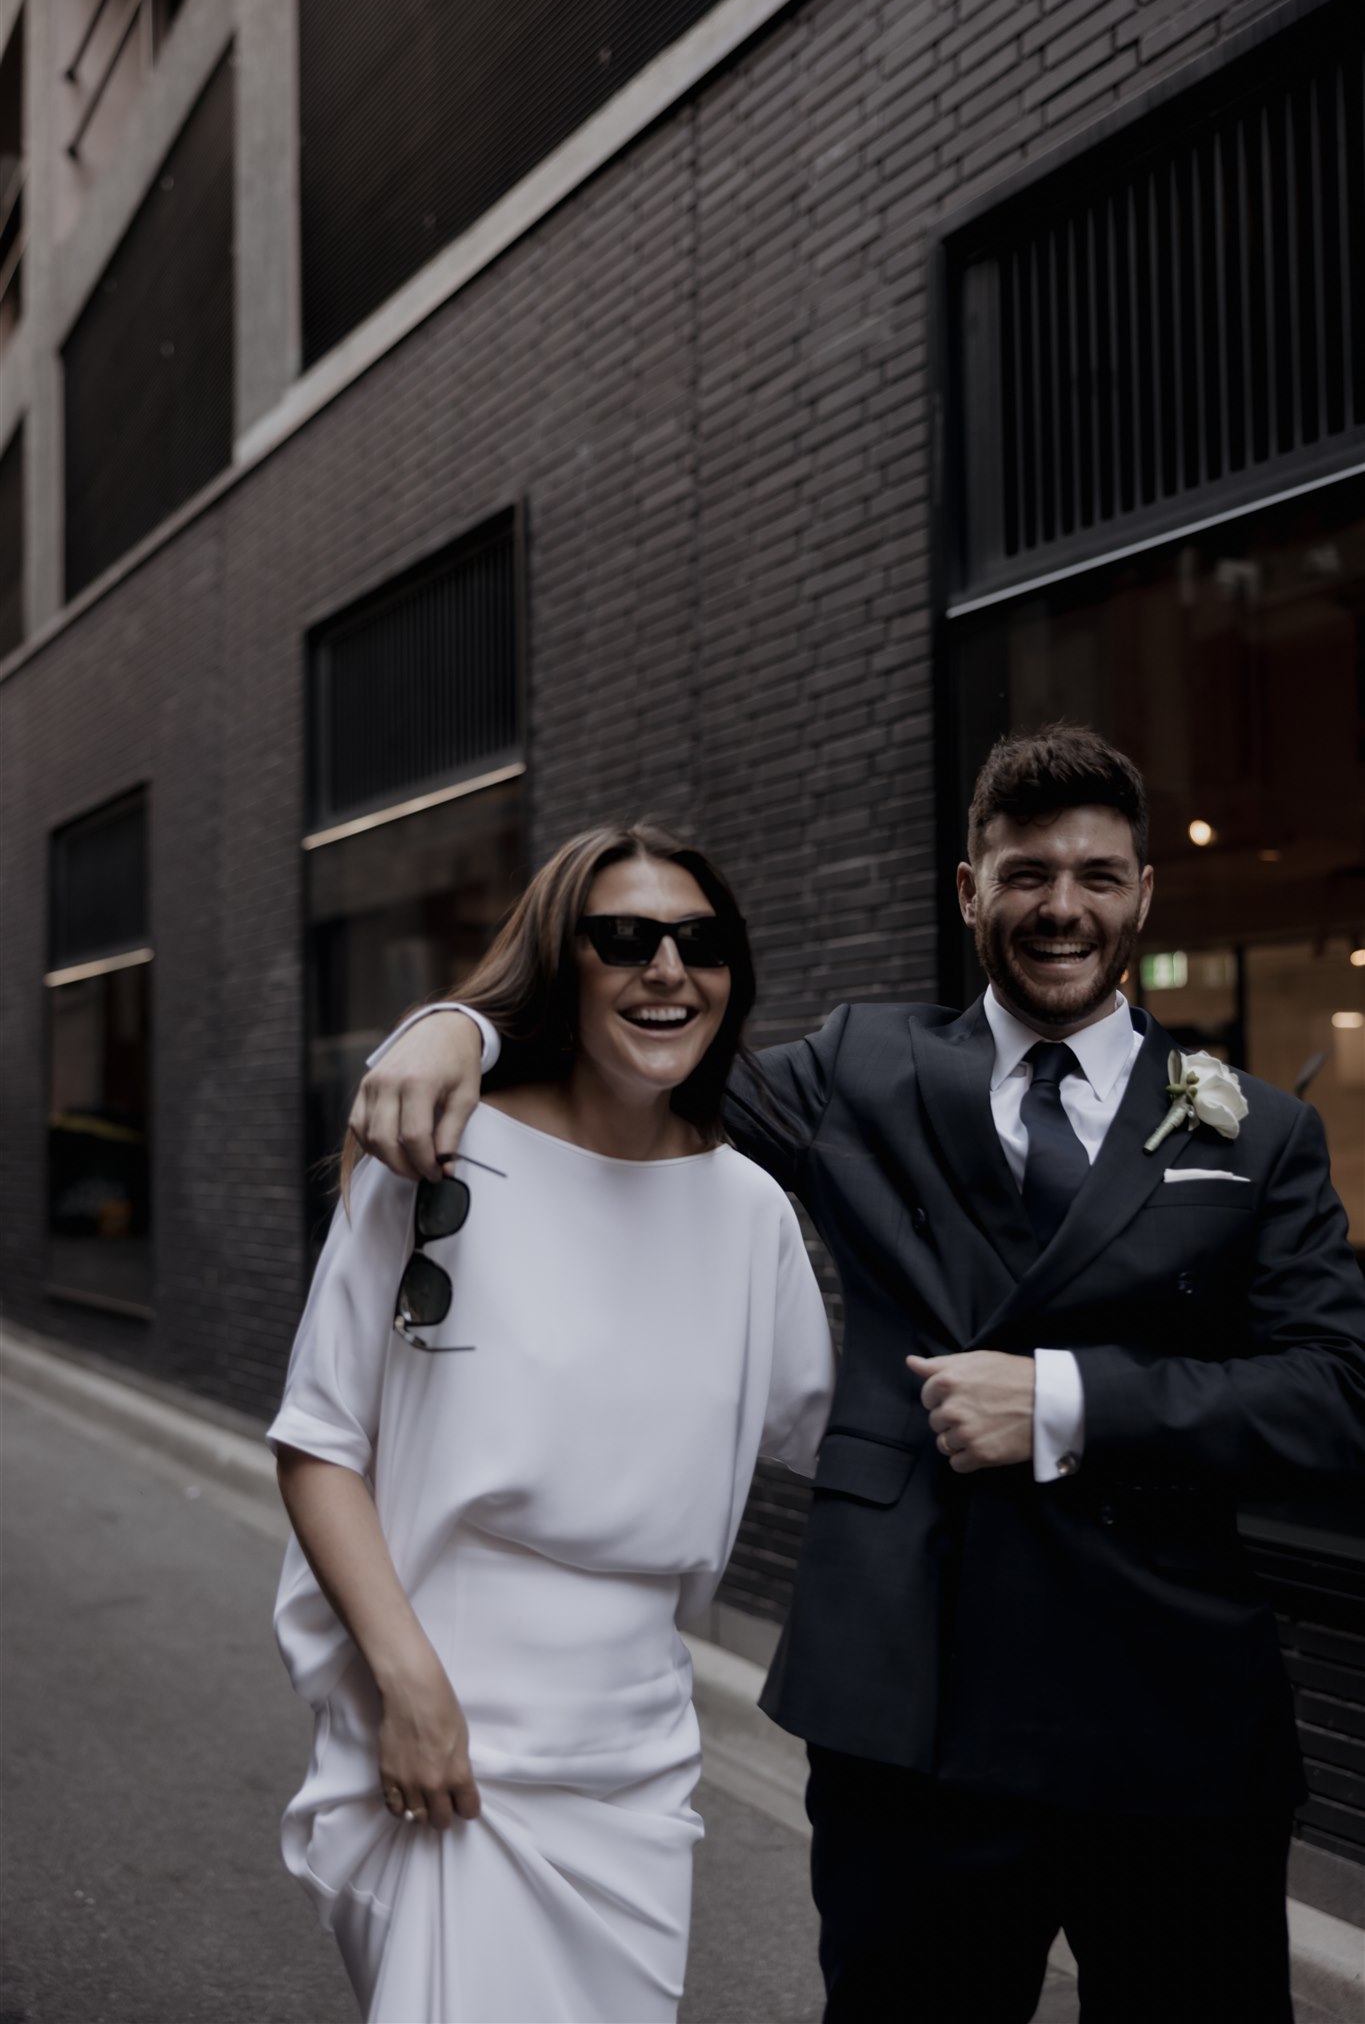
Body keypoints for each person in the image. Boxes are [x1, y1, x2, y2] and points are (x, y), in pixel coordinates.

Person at [351, 724, 1365, 2024]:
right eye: (1025, 873)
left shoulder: (1253, 1125)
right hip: (912, 1710)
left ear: (1143, 896)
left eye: (1098, 877)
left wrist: (1060, 1398)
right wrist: (454, 1029)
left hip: (1167, 1720)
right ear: (967, 889)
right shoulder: (863, 1067)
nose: (1062, 908)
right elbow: (644, 1056)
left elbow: (1335, 1399)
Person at [269, 823, 834, 2024]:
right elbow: (319, 1439)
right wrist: (408, 1686)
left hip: (636, 1746)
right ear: (560, 961)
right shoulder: (436, 1154)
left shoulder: (750, 1209)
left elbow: (830, 1430)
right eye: (624, 938)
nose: (667, 969)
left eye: (702, 942)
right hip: (454, 1715)